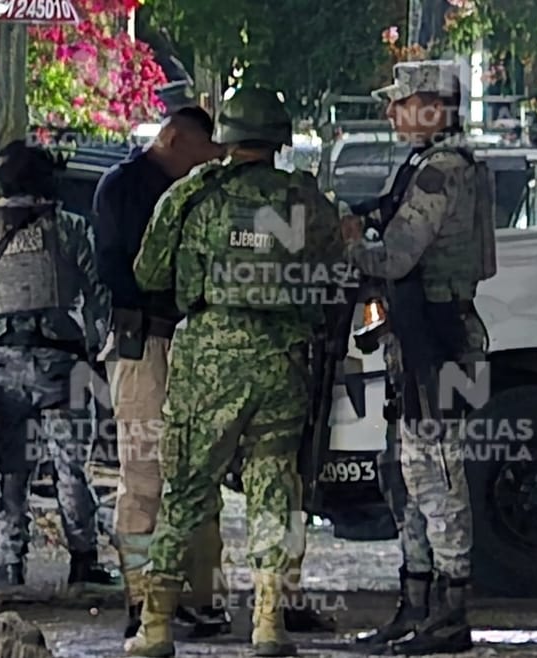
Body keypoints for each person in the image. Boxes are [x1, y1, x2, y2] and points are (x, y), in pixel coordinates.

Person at [124, 86, 344, 658]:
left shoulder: (191, 195)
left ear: (226, 136)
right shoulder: (304, 200)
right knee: (275, 488)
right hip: (282, 360)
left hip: (207, 362)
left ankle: (155, 627)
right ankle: (269, 625)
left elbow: (149, 272)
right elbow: (333, 272)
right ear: (279, 138)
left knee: (187, 491)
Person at [346, 59, 495, 655]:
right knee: (408, 474)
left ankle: (451, 610)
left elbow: (397, 257)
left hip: (443, 337)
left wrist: (351, 244)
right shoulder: (428, 165)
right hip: (423, 336)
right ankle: (416, 603)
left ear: (433, 105)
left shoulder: (442, 172)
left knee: (440, 472)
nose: (392, 113)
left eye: (401, 102)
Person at [92, 106, 233, 639]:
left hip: (192, 343)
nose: (203, 163)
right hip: (144, 341)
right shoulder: (124, 187)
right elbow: (116, 269)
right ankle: (142, 597)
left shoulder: (199, 191)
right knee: (144, 478)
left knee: (199, 479)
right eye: (198, 153)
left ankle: (197, 598)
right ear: (173, 139)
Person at [0, 141, 115, 587]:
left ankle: (11, 563)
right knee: (71, 466)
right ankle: (83, 559)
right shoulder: (69, 228)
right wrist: (96, 348)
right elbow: (98, 295)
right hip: (61, 366)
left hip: (1, 367)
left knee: (11, 470)